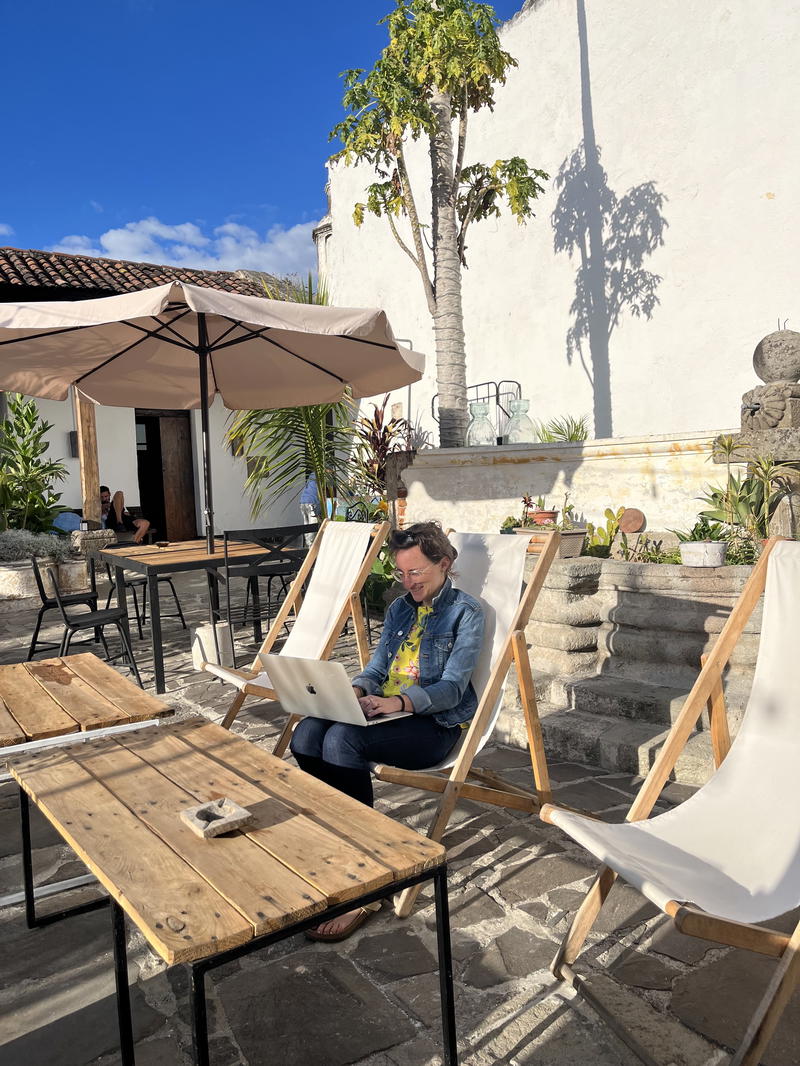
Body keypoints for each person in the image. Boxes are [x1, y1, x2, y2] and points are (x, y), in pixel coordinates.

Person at [290, 521, 485, 941]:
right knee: (307, 733)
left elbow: (451, 689)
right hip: (386, 712)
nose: (408, 582)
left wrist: (397, 703)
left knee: (342, 741)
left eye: (417, 572)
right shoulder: (400, 608)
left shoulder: (465, 614)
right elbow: (378, 669)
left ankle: (369, 880)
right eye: (401, 573)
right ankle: (335, 848)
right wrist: (354, 690)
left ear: (445, 564)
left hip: (433, 725)